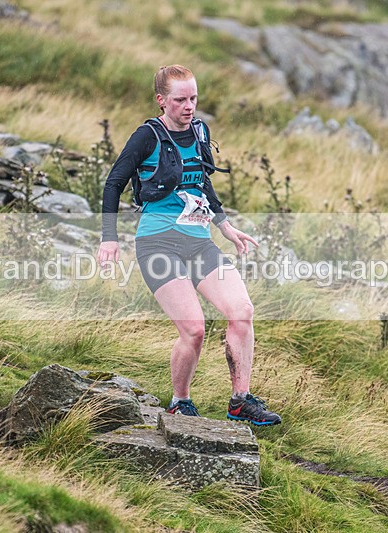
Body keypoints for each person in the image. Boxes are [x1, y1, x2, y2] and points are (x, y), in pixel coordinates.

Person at [97, 65, 281, 426]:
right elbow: (112, 184)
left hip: (199, 244)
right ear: (161, 100)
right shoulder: (146, 136)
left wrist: (225, 225)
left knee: (241, 311)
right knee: (194, 328)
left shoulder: (199, 131)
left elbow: (201, 183)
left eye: (194, 98)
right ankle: (180, 401)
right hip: (157, 244)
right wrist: (109, 239)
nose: (189, 106)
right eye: (180, 99)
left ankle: (240, 402)